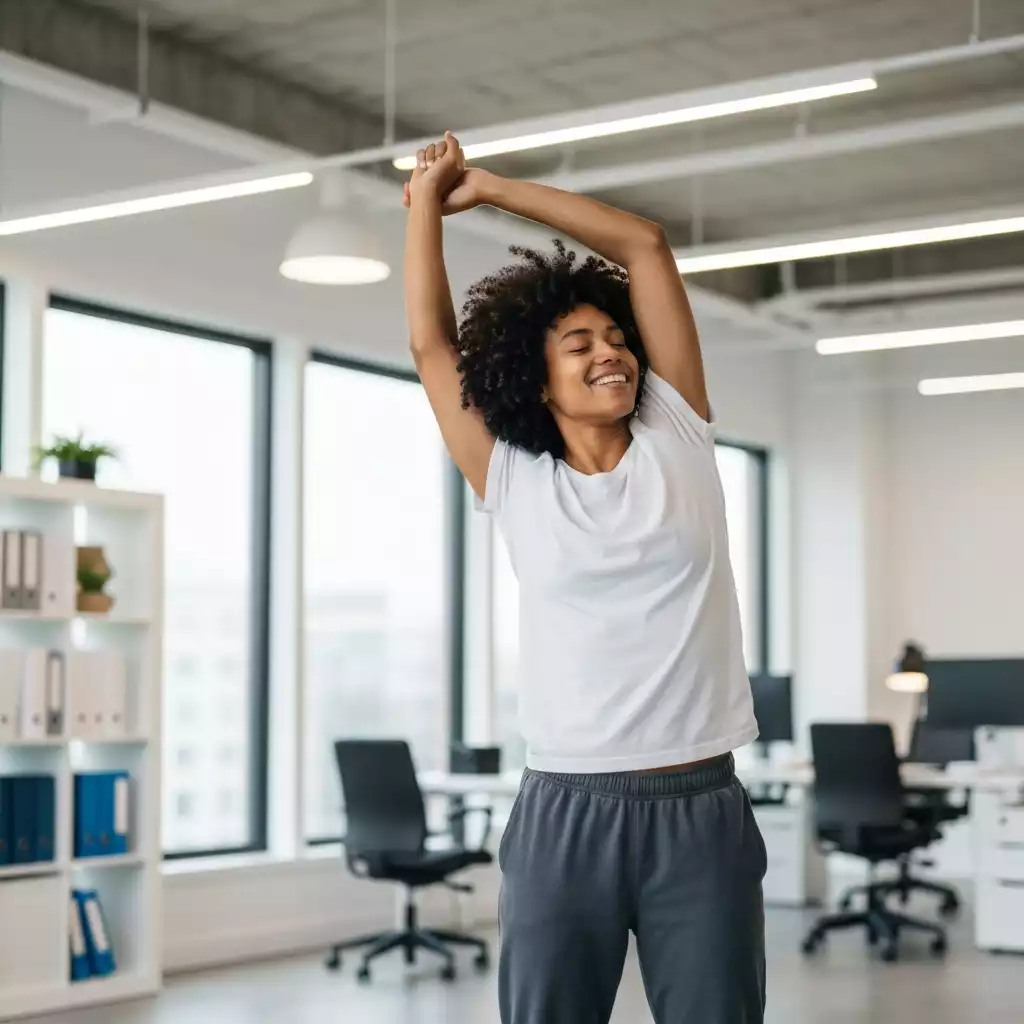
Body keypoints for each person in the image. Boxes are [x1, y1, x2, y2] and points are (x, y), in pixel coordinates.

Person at [404, 131, 766, 1024]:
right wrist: (425, 207)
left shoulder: (677, 432)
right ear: (536, 374)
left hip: (701, 808)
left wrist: (488, 189)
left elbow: (644, 244)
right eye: (579, 345)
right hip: (566, 808)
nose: (610, 351)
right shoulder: (513, 477)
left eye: (615, 336)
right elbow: (428, 345)